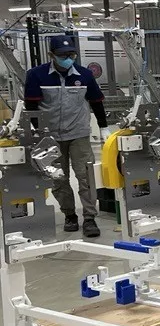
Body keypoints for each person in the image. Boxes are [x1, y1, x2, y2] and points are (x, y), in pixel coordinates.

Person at [24, 34, 109, 238]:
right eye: (63, 55)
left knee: (86, 176)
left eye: (71, 55)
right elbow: (31, 106)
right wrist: (38, 132)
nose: (68, 59)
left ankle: (89, 217)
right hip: (50, 136)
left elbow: (96, 102)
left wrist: (103, 127)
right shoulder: (36, 75)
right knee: (58, 178)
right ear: (51, 55)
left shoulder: (85, 75)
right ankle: (69, 215)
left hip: (79, 133)